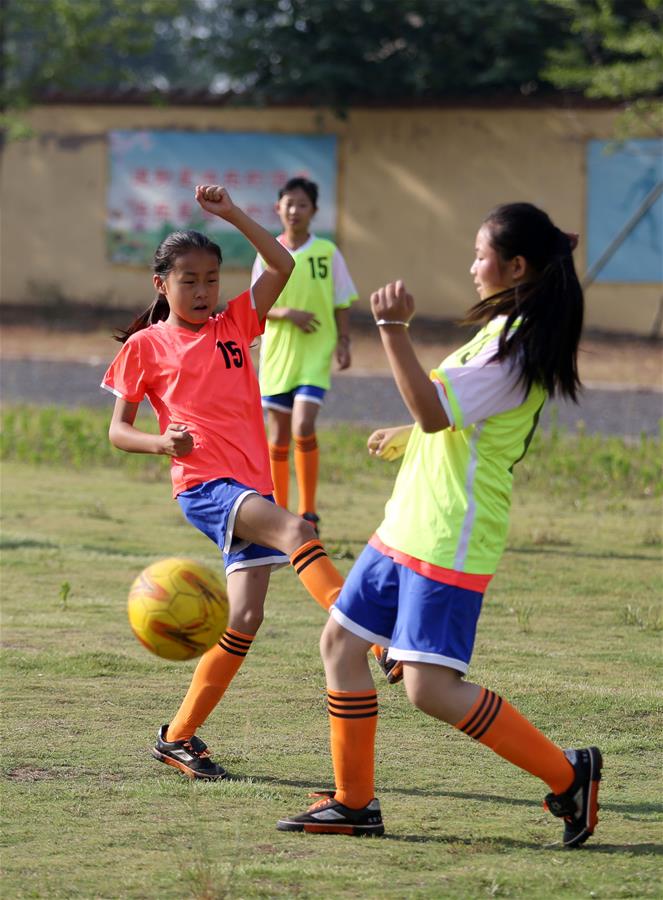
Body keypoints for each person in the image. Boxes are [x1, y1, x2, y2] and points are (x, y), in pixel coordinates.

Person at [277, 203, 603, 848]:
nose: (473, 265)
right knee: (341, 644)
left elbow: (434, 411)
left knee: (429, 690)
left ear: (515, 266)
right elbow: (448, 420)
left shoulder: (513, 349)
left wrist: (392, 329)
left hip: (451, 534)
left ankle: (569, 776)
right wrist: (413, 434)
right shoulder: (501, 331)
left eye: (481, 254)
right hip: (407, 522)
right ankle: (353, 802)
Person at [102, 184, 352, 781]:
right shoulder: (145, 346)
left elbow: (284, 264)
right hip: (204, 485)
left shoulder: (237, 321)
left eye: (211, 278)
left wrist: (233, 214)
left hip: (250, 486)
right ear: (161, 283)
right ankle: (374, 639)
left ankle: (178, 736)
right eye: (188, 280)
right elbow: (117, 430)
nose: (203, 290)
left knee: (243, 619)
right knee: (297, 528)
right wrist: (161, 443)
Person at [252, 177, 359, 533]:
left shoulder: (327, 253)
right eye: (288, 203)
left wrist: (344, 340)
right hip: (278, 356)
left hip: (315, 352)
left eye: (302, 204)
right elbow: (256, 306)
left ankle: (309, 511)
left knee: (303, 425)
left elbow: (342, 298)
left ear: (313, 211)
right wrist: (288, 314)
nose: (294, 210)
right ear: (278, 208)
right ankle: (279, 510)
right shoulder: (267, 252)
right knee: (278, 435)